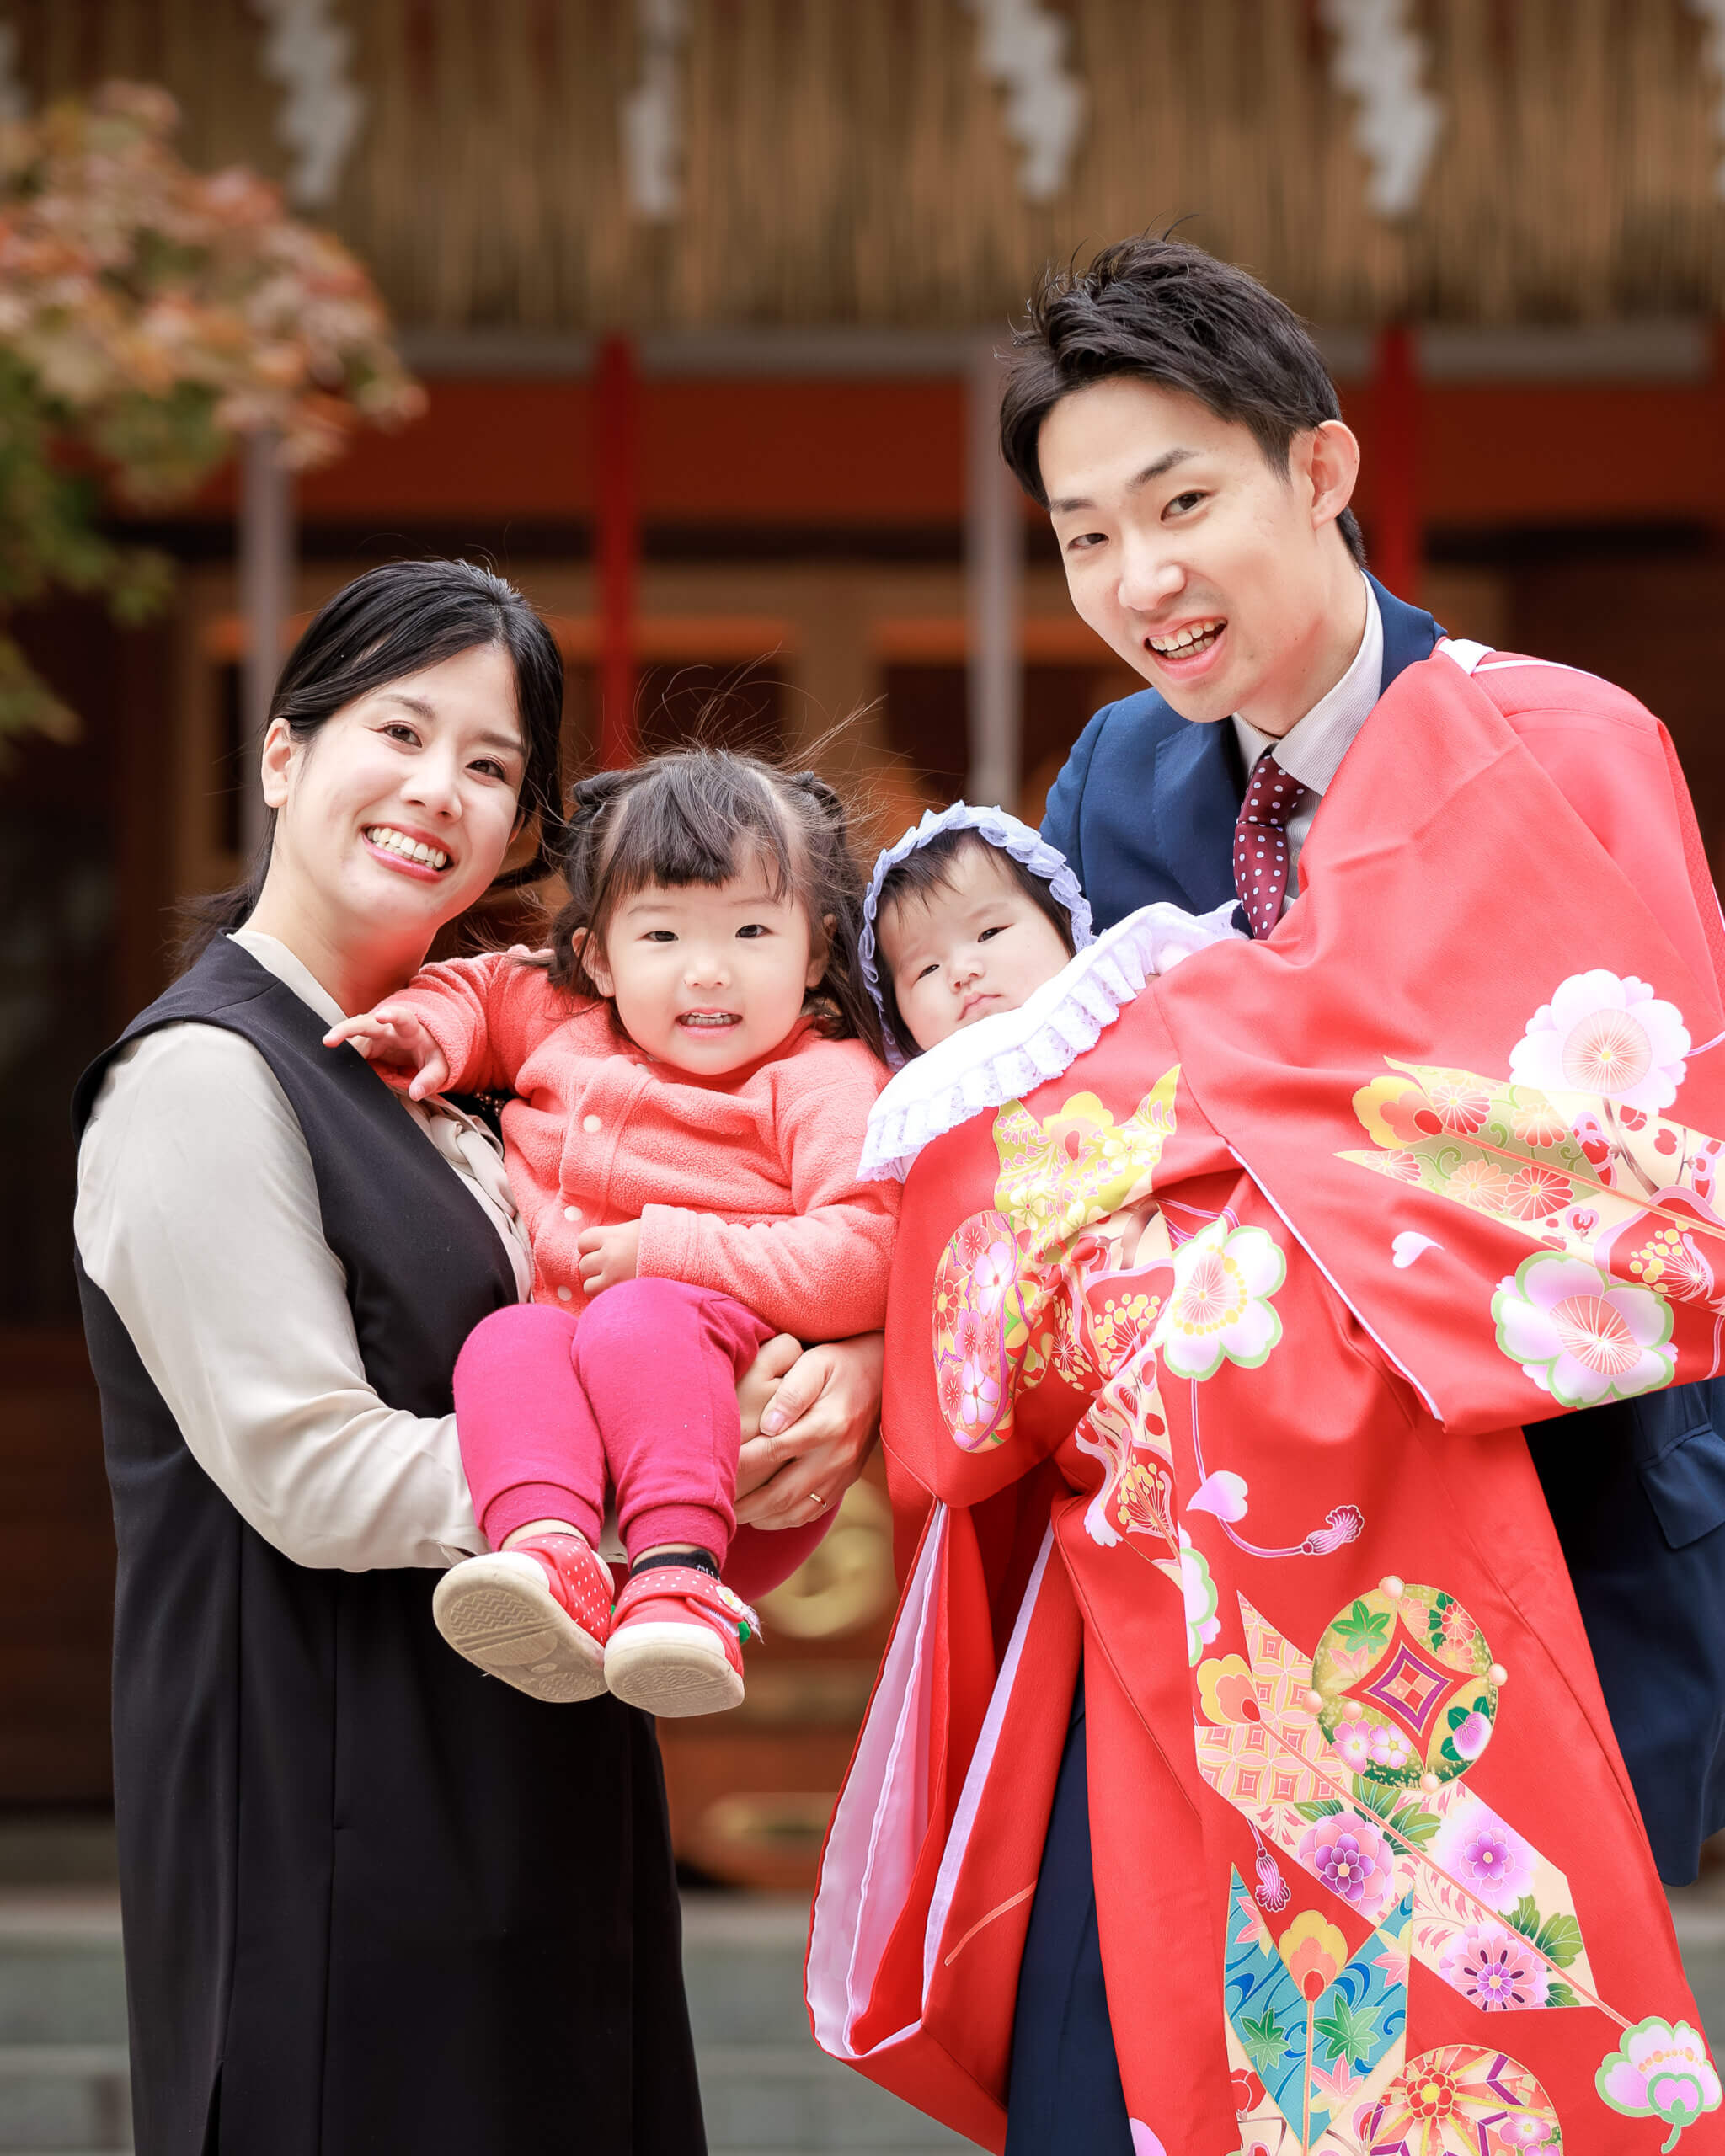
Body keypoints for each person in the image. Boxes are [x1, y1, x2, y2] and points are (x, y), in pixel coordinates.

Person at [809, 238, 1725, 2156]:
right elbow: (1033, 1159)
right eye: (1080, 537)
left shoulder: (1558, 747)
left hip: (1513, 1591)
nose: (1139, 579)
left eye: (1182, 501)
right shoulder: (1120, 785)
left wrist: (1212, 1081)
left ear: (1318, 473)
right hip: (1161, 1575)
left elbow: (1635, 1194)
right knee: (1126, 2084)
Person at [74, 561, 812, 2156]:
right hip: (335, 1845)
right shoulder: (203, 1080)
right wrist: (642, 1485)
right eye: (400, 732)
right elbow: (312, 1469)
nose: (440, 791)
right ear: (284, 758)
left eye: (490, 765)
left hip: (524, 1812)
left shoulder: (477, 1086)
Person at [326, 747, 897, 1717]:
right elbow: (476, 991)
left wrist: (673, 1249)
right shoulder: (566, 1013)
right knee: (508, 1338)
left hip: (744, 1456)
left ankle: (682, 1587)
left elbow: (868, 1253)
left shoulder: (822, 1078)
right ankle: (552, 1559)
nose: (707, 970)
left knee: (638, 1317)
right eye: (663, 933)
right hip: (583, 1431)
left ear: (813, 951)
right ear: (596, 956)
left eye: (752, 930)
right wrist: (422, 1029)